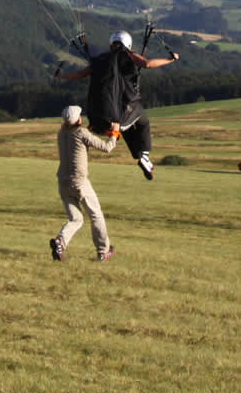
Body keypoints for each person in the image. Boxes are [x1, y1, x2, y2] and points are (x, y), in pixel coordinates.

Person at [58, 31, 178, 180]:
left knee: (127, 128)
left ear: (111, 44)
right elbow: (147, 64)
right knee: (143, 122)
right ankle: (144, 156)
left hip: (103, 115)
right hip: (120, 111)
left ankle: (140, 156)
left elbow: (81, 73)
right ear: (128, 44)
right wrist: (170, 59)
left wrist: (62, 76)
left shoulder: (101, 60)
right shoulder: (128, 55)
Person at [50, 105, 117, 262]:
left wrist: (89, 129)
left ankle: (60, 242)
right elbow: (106, 148)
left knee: (76, 219)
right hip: (79, 182)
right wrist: (114, 134)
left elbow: (76, 135)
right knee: (96, 215)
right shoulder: (82, 133)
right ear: (79, 120)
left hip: (63, 183)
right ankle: (103, 251)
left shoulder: (61, 133)